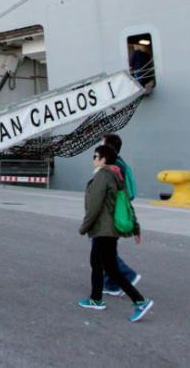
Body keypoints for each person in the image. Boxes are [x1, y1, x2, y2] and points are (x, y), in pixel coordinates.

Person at [77, 144, 153, 322]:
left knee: (110, 268)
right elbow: (126, 204)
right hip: (111, 230)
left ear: (103, 159)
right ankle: (96, 298)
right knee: (97, 262)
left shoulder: (102, 177)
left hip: (103, 229)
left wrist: (84, 227)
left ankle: (140, 301)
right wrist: (136, 228)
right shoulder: (117, 176)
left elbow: (94, 206)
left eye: (95, 156)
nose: (93, 159)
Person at [101, 133, 141, 296]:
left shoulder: (112, 167)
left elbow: (110, 193)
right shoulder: (120, 163)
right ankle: (111, 284)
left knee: (102, 250)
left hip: (110, 215)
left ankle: (128, 275)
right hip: (116, 213)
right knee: (108, 250)